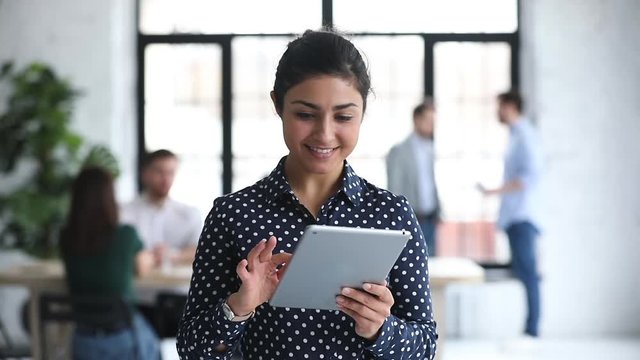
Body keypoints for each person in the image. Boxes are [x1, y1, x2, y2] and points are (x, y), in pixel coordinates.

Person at [177, 29, 437, 359]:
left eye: (344, 116)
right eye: (305, 114)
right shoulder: (233, 214)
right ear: (278, 104)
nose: (325, 134)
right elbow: (192, 349)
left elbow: (425, 347)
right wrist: (239, 306)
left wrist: (379, 329)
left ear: (363, 112)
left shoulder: (392, 215)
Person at [60, 167, 160, 359]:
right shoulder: (126, 234)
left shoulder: (66, 237)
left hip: (83, 339)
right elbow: (142, 268)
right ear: (109, 198)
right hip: (123, 337)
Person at [478, 90, 543, 338]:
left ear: (511, 106)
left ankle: (532, 330)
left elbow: (529, 177)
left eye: (500, 107)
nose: (497, 112)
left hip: (523, 217)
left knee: (529, 274)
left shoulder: (526, 136)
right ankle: (529, 329)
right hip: (516, 217)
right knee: (524, 273)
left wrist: (494, 191)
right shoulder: (516, 135)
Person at [120, 149, 202, 268]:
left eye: (171, 173)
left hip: (178, 285)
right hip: (140, 286)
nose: (166, 179)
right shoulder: (124, 212)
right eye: (159, 172)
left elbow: (200, 250)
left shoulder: (190, 214)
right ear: (144, 174)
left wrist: (174, 255)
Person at [386, 98, 441, 257]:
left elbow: (431, 182)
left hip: (431, 217)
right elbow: (394, 188)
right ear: (417, 119)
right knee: (412, 264)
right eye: (428, 120)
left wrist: (438, 209)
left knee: (431, 266)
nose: (432, 125)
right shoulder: (399, 151)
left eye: (434, 121)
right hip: (411, 218)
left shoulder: (430, 148)